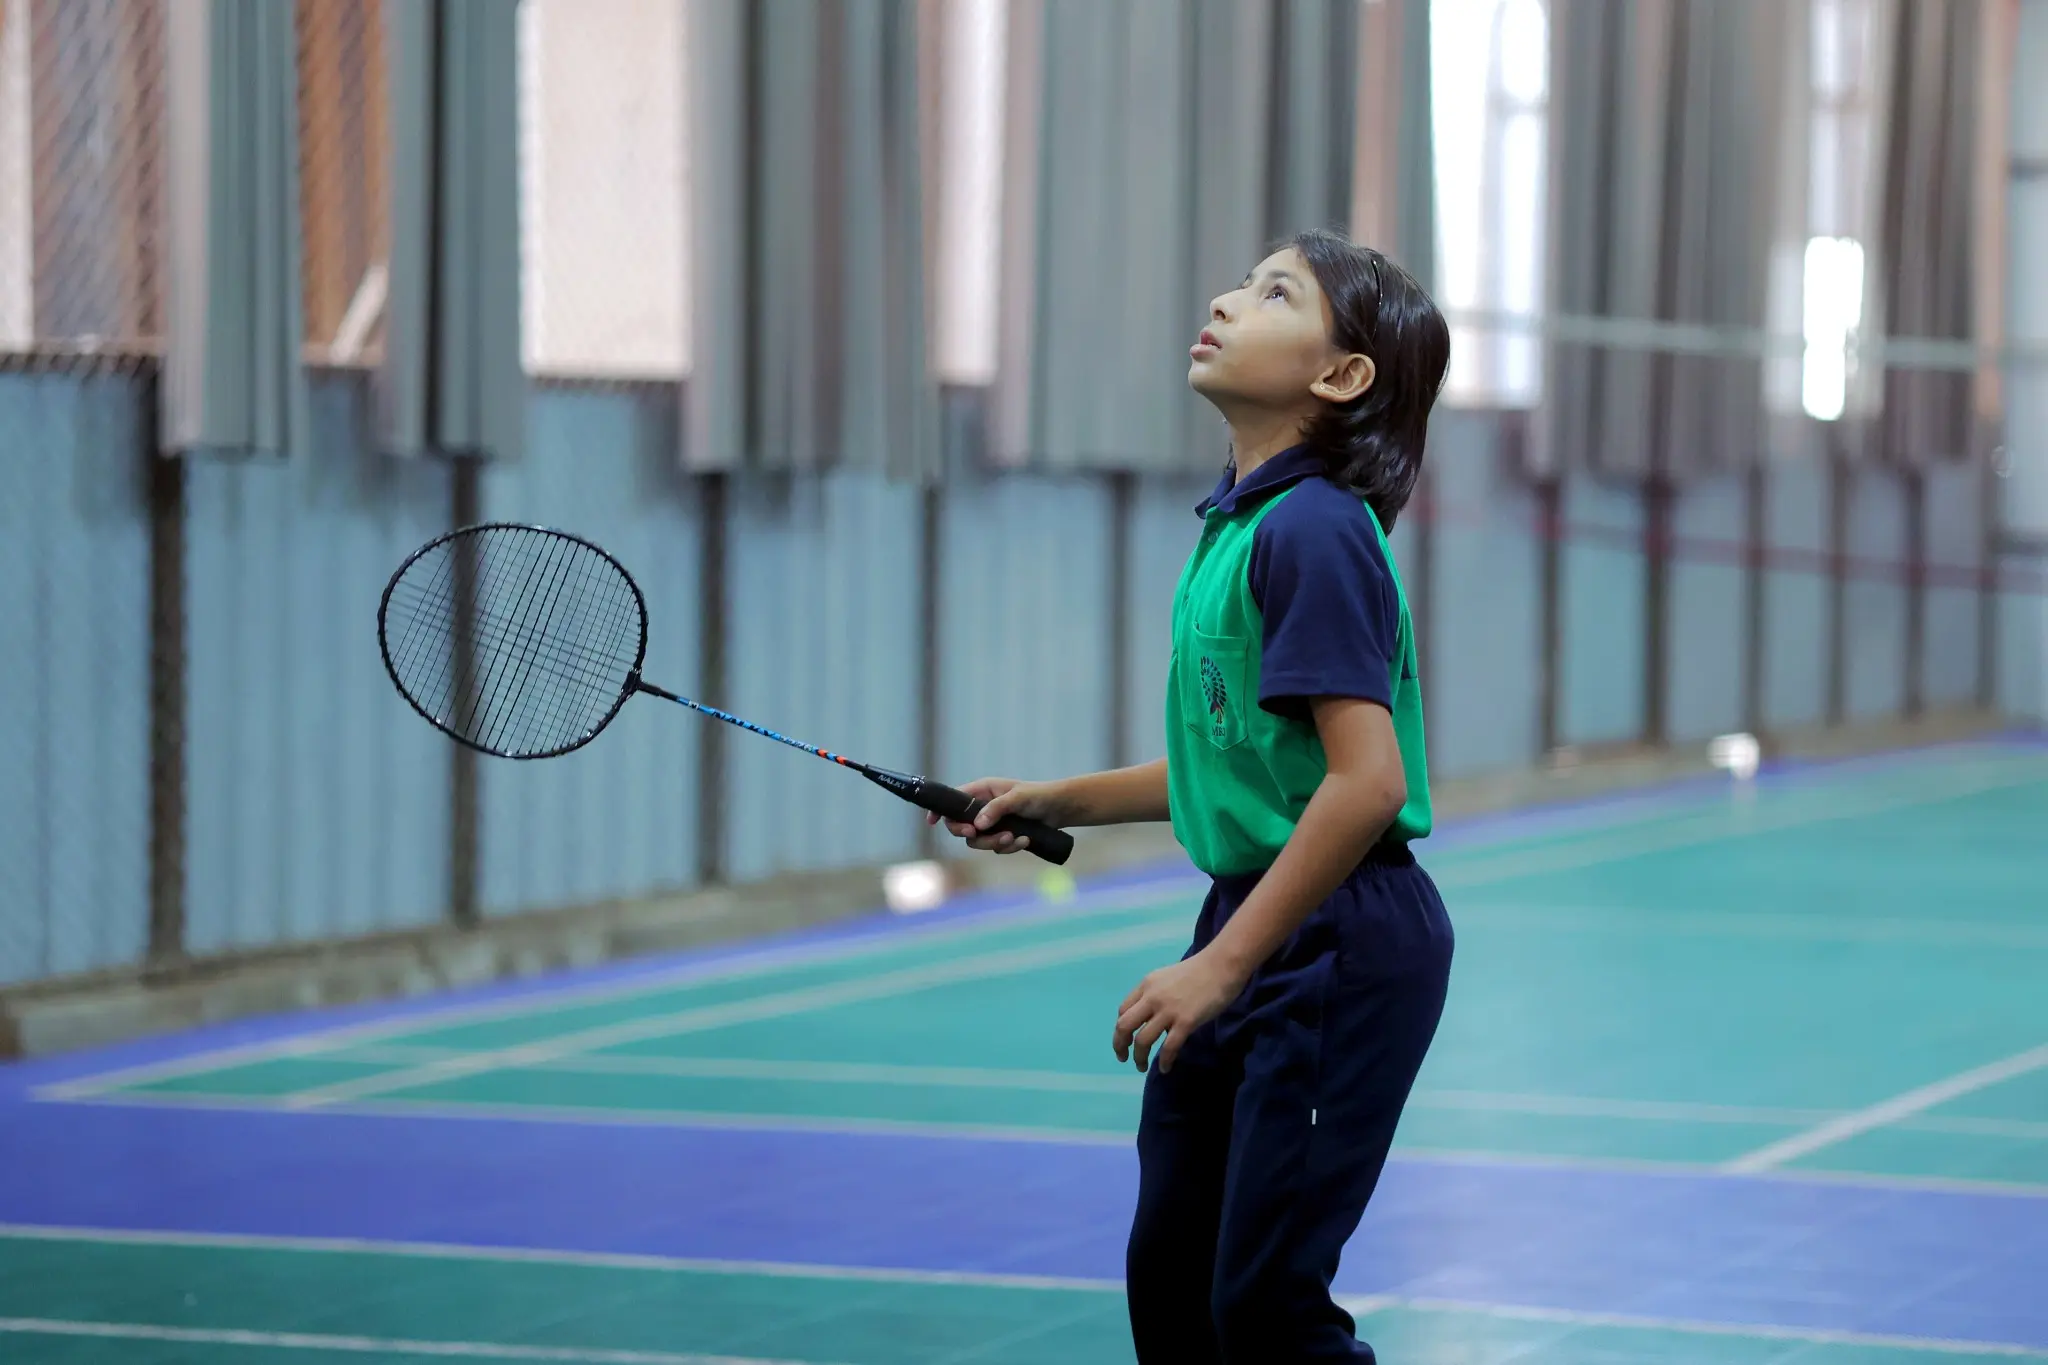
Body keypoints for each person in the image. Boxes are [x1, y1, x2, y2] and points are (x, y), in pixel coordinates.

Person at [931, 228, 1455, 1363]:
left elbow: (1365, 785)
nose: (1224, 298)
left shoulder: (1313, 529)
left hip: (1337, 941)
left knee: (1262, 1312)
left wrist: (1223, 965)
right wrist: (1050, 796)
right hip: (1256, 917)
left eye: (1272, 293)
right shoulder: (1242, 522)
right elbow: (1244, 765)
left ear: (1340, 375)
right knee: (1172, 1286)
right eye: (1241, 279)